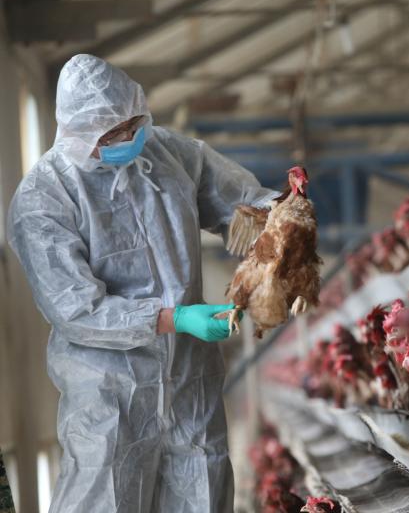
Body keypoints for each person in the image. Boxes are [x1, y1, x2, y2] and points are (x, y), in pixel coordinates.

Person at [7, 54, 279, 512]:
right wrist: (174, 318)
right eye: (111, 135)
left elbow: (242, 204)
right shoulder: (43, 199)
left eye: (133, 124)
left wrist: (281, 217)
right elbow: (75, 309)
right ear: (77, 134)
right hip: (110, 392)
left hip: (190, 380)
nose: (128, 139)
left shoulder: (168, 153)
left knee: (202, 492)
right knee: (104, 497)